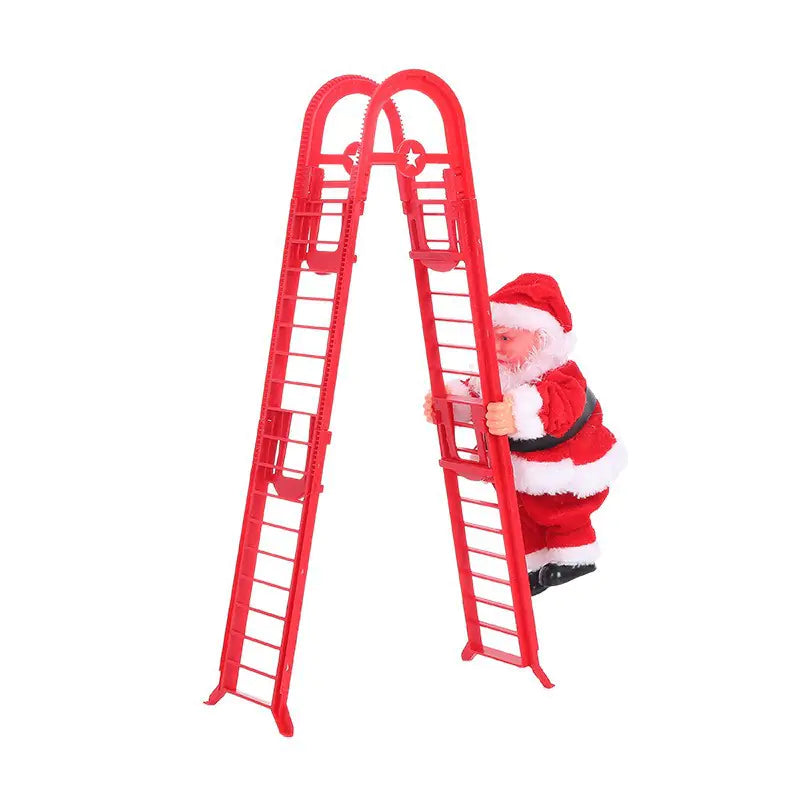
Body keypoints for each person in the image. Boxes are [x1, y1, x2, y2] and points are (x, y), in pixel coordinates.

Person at [424, 273, 626, 595]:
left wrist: (517, 413)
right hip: (520, 472)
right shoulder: (498, 377)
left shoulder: (562, 377)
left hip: (567, 470)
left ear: (542, 340)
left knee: (563, 514)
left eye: (506, 339)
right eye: (491, 338)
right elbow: (474, 394)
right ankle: (532, 566)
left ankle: (575, 557)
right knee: (521, 517)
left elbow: (557, 406)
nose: (496, 348)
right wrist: (448, 404)